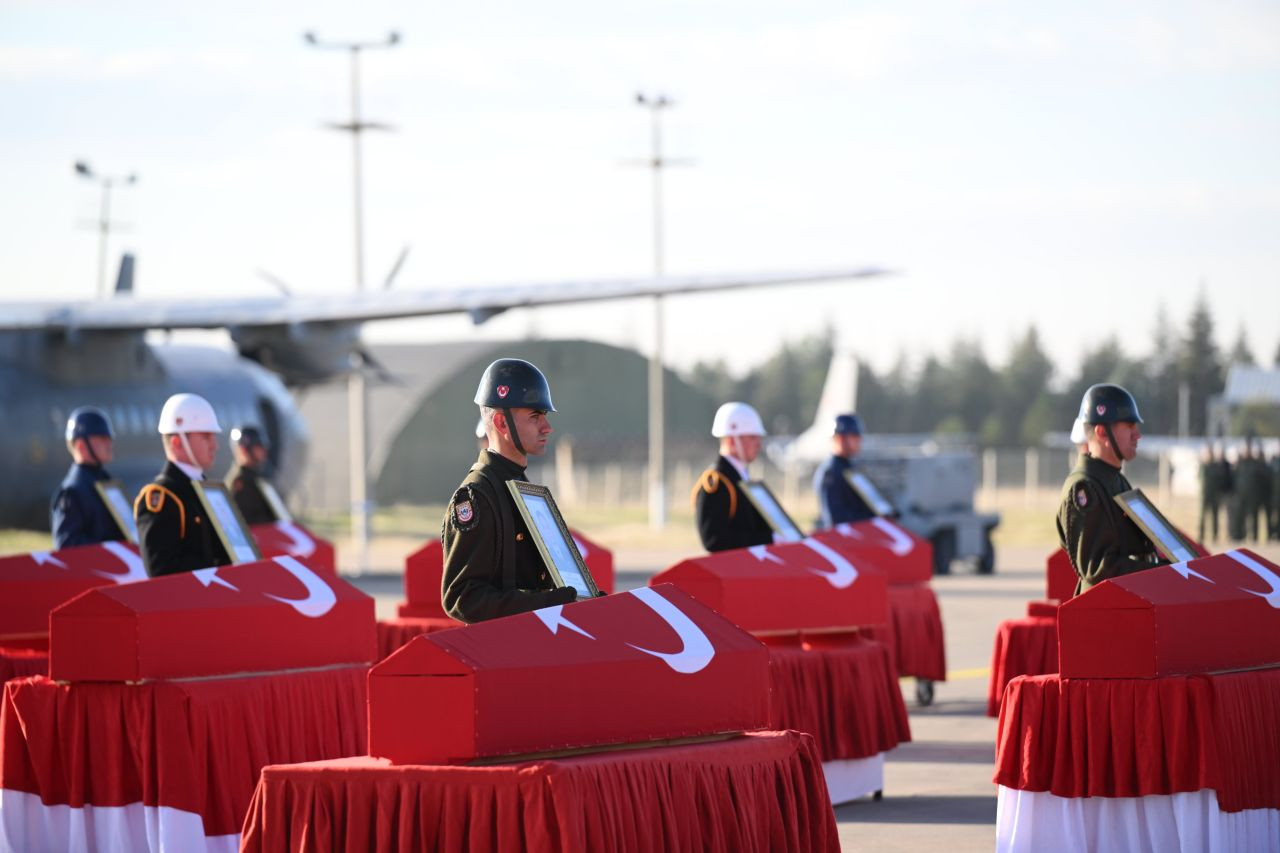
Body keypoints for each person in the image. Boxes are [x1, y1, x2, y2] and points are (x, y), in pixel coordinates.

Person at [440, 358, 578, 623]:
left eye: (545, 416)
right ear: (502, 424)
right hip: (501, 654)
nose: (547, 427)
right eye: (534, 416)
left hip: (531, 646)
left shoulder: (521, 487)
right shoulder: (477, 495)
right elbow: (462, 598)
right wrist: (552, 603)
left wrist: (583, 602)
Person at [1056, 384, 1165, 596]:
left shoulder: (1115, 480)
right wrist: (1162, 573)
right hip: (1103, 615)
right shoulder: (1084, 488)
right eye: (1129, 426)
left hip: (1128, 607)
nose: (1137, 435)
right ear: (1102, 432)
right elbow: (1098, 569)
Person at [134, 393, 232, 577]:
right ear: (178, 443)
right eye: (206, 437)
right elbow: (161, 571)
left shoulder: (206, 489)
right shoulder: (162, 497)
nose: (215, 445)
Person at [692, 401, 775, 552]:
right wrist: (770, 539)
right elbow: (714, 540)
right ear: (731, 440)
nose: (758, 444)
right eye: (752, 438)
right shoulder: (716, 482)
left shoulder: (741, 477)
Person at [50, 406, 126, 549]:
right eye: (102, 438)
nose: (109, 443)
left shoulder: (106, 482)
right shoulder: (71, 493)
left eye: (109, 438)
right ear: (81, 445)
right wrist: (111, 549)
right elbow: (66, 546)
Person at [813, 413, 876, 529]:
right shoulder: (831, 472)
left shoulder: (849, 468)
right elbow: (836, 519)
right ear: (840, 439)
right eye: (855, 436)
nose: (859, 440)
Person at [225, 425, 277, 525]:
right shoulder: (241, 481)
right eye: (258, 447)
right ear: (244, 449)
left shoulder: (255, 477)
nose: (264, 451)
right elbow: (246, 521)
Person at [1198, 443, 1228, 543]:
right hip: (1204, 495)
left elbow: (1220, 481)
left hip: (1214, 496)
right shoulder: (1203, 466)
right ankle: (1201, 535)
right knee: (1202, 517)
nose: (1209, 455)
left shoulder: (1216, 467)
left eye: (1210, 453)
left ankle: (1215, 536)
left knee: (1215, 516)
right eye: (1207, 453)